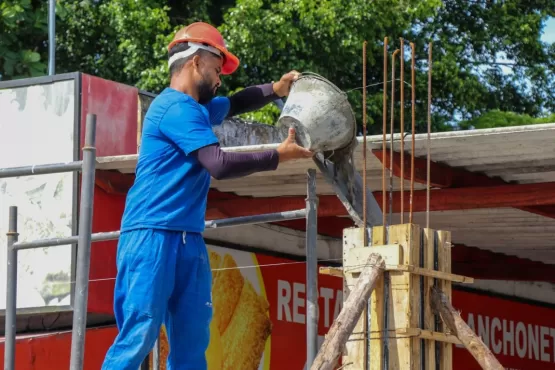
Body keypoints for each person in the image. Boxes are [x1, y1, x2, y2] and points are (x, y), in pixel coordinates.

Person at [101, 22, 313, 369]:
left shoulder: (197, 110)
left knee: (192, 343)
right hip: (152, 235)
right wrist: (279, 155)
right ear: (196, 62)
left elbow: (236, 102)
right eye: (216, 69)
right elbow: (217, 163)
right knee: (138, 336)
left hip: (187, 238)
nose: (218, 79)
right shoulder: (175, 109)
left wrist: (276, 89)